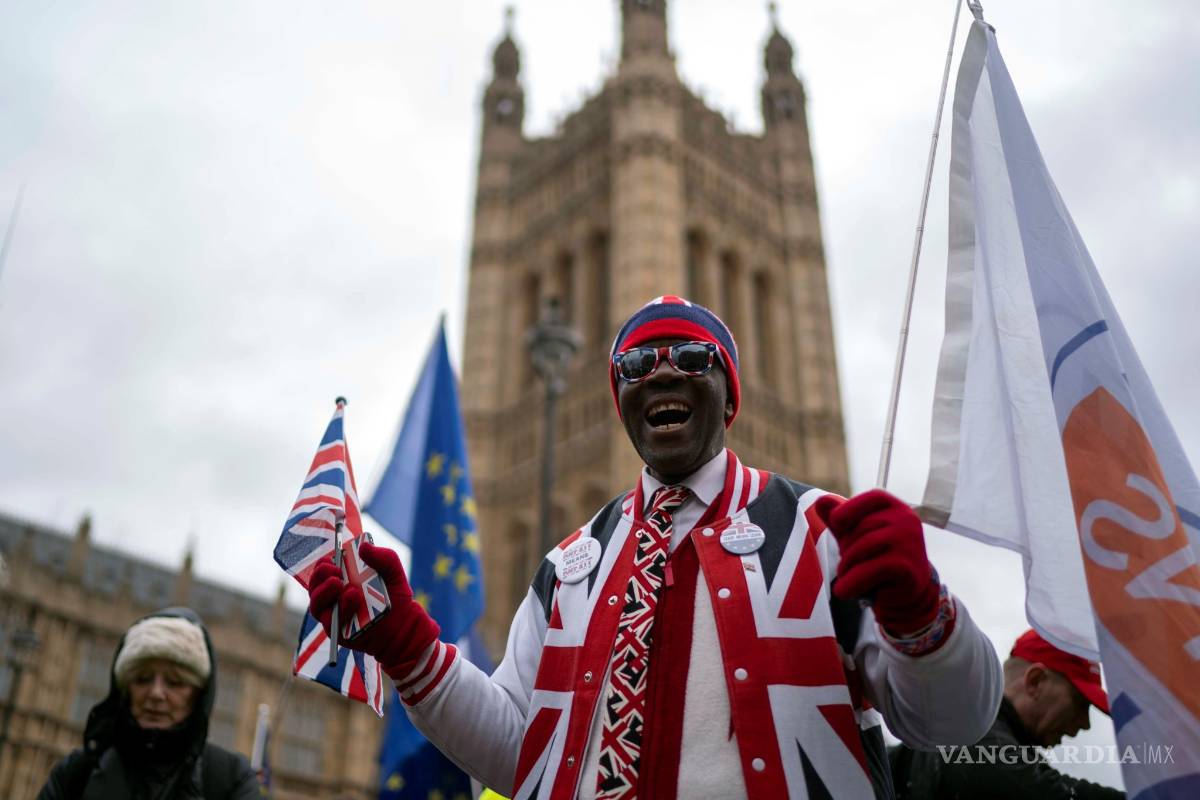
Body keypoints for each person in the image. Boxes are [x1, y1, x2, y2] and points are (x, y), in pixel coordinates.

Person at [309, 296, 1003, 798]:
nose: (663, 373)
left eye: (693, 357)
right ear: (622, 405)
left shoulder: (820, 528)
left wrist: (922, 612)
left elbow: (956, 718)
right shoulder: (569, 566)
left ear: (728, 396)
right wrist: (409, 649)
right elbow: (519, 751)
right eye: (638, 363)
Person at [39, 607, 259, 800]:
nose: (155, 693)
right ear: (125, 688)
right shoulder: (78, 773)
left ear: (199, 695)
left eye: (175, 682)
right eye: (142, 679)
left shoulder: (230, 779)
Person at [889, 628, 1123, 799]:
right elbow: (1045, 794)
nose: (1084, 724)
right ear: (1035, 682)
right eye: (1080, 704)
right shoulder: (971, 734)